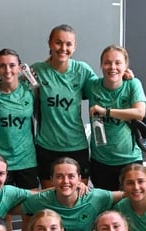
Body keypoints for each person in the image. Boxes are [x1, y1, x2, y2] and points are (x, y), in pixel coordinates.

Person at [0, 48, 39, 231]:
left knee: (29, 212)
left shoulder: (30, 90)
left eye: (12, 65)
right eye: (2, 65)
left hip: (27, 158)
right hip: (1, 161)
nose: (7, 70)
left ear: (19, 67)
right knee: (3, 213)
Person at [32, 24, 97, 188]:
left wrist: (125, 76)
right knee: (50, 203)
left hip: (76, 145)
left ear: (74, 47)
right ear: (49, 43)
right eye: (58, 42)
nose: (63, 48)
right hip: (47, 146)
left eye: (68, 44)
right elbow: (11, 84)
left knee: (78, 200)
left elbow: (104, 89)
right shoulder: (37, 70)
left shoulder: (82, 70)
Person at [21, 157, 119, 231]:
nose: (65, 181)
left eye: (71, 176)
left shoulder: (94, 197)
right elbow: (9, 207)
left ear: (79, 179)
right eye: (59, 176)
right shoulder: (41, 199)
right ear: (52, 179)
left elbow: (127, 194)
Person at [85, 45, 146, 190]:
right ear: (101, 65)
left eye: (118, 63)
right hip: (100, 161)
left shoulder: (133, 84)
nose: (112, 67)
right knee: (106, 209)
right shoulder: (91, 85)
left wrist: (105, 112)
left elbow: (139, 113)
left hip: (130, 160)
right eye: (107, 63)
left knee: (131, 207)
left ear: (126, 66)